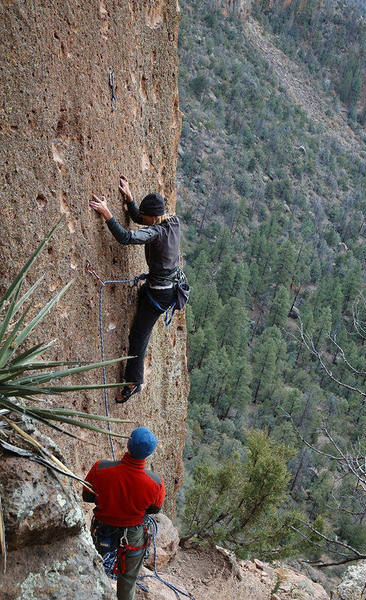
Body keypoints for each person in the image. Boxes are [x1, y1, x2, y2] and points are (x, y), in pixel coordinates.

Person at [89, 176, 180, 403]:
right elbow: (142, 218)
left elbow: (127, 237)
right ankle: (134, 379)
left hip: (159, 295)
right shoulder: (172, 222)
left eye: (147, 217)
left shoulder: (156, 232)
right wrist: (130, 201)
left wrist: (107, 213)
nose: (144, 220)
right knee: (142, 330)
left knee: (138, 336)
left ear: (155, 217)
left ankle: (133, 382)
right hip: (163, 289)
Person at [83, 427, 165, 600]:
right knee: (128, 579)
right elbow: (154, 509)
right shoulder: (156, 482)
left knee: (91, 565)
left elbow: (87, 496)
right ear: (148, 454)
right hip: (133, 535)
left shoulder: (101, 468)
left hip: (102, 528)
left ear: (128, 444)